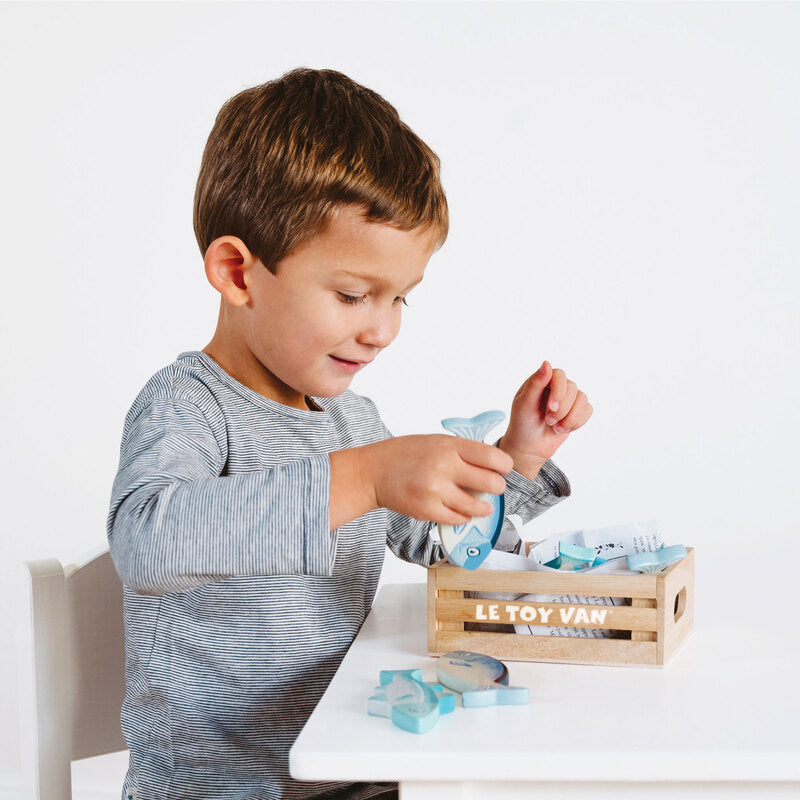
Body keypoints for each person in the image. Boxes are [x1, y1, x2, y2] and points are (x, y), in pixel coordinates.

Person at [107, 67, 592, 800]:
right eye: (351, 294)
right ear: (239, 272)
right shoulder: (189, 407)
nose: (382, 328)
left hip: (353, 768)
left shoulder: (352, 421)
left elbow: (438, 547)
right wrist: (362, 478)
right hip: (227, 788)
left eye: (401, 299)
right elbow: (146, 542)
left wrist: (516, 462)